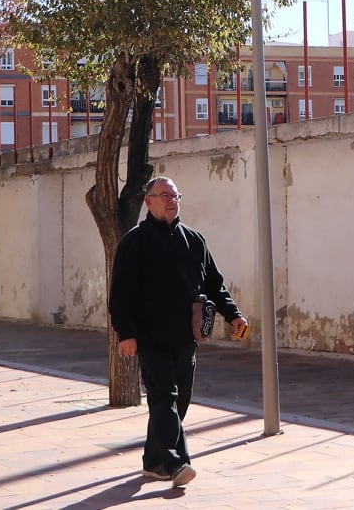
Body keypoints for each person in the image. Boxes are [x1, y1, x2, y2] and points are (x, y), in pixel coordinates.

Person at [109, 176, 248, 488]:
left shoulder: (194, 240)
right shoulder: (135, 242)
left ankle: (153, 462)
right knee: (163, 397)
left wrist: (233, 314)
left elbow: (214, 284)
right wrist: (126, 333)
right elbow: (120, 294)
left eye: (175, 196)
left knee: (178, 401)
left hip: (187, 337)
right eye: (164, 196)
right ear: (149, 202)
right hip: (150, 337)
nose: (171, 201)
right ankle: (176, 463)